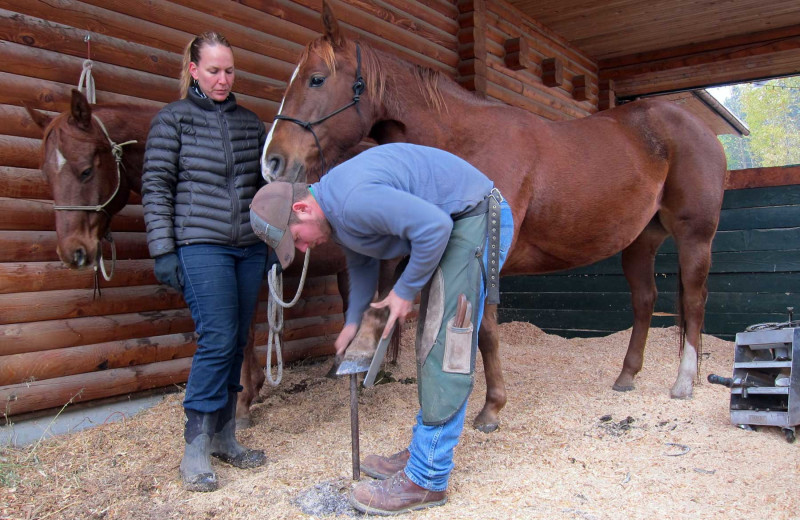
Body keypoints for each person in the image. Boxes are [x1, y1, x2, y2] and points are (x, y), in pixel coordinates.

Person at [250, 142, 514, 514]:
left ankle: (427, 478)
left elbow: (434, 227)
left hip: (476, 218)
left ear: (302, 208)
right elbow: (362, 264)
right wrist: (354, 322)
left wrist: (404, 291)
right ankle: (426, 448)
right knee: (431, 337)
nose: (304, 247)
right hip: (457, 222)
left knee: (445, 341)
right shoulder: (337, 215)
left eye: (296, 238)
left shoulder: (352, 200)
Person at [141, 31, 269, 492]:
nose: (222, 79)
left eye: (229, 70)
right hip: (200, 245)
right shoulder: (172, 120)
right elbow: (155, 187)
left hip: (249, 247)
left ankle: (224, 438)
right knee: (217, 339)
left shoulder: (251, 123)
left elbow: (267, 188)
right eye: (213, 70)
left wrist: (273, 241)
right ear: (193, 70)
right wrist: (163, 250)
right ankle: (194, 448)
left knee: (236, 342)